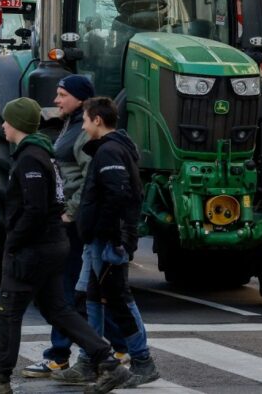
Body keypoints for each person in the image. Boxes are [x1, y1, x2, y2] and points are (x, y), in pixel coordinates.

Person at [0, 98, 132, 394]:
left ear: (17, 124)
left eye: (7, 120)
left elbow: (36, 209)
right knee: (58, 310)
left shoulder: (30, 159)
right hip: (51, 244)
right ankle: (108, 362)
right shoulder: (41, 154)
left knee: (7, 311)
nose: (3, 125)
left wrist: (13, 242)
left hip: (33, 249)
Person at [74, 96, 159, 389]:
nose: (83, 127)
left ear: (98, 120)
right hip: (105, 239)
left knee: (119, 299)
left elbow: (117, 196)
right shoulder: (113, 149)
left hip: (108, 242)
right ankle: (90, 360)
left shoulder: (109, 152)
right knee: (95, 299)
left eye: (85, 120)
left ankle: (143, 361)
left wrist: (112, 239)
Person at [22, 75, 94, 378]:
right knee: (76, 290)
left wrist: (71, 212)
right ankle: (110, 349)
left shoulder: (84, 130)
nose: (56, 100)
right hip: (70, 219)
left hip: (74, 223)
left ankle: (62, 354)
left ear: (79, 98)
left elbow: (91, 178)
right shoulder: (70, 123)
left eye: (62, 94)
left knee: (67, 291)